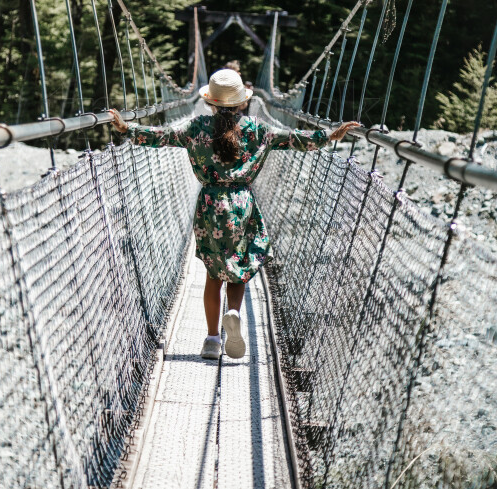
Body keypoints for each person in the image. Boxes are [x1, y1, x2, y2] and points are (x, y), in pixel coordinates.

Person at [109, 69, 359, 362]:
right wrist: (330, 134)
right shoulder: (257, 129)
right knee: (239, 265)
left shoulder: (197, 126)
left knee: (213, 274)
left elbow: (162, 137)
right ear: (242, 102)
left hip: (210, 204)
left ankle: (212, 340)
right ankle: (234, 312)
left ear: (211, 102)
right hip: (242, 204)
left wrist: (127, 129)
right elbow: (296, 139)